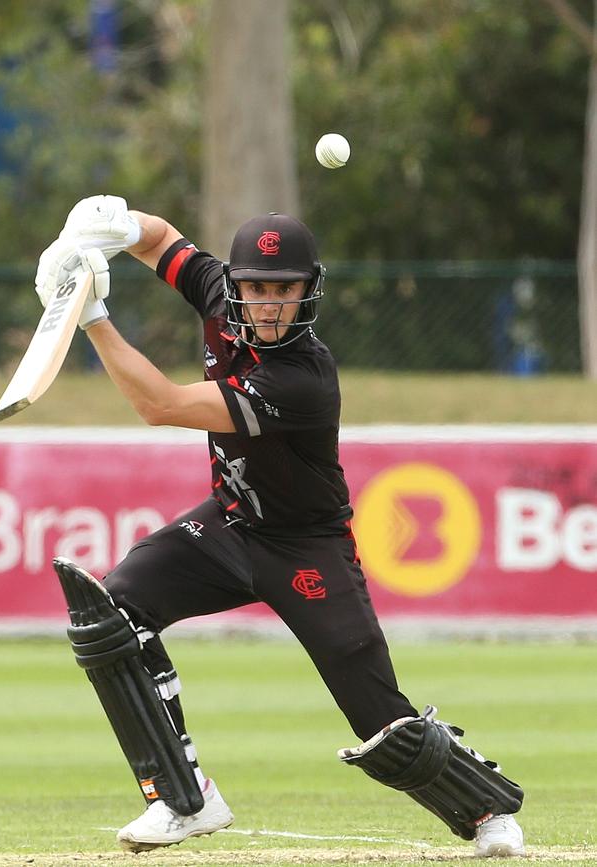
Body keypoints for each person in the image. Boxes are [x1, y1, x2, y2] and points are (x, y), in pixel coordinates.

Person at [36, 196, 526, 857]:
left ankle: (488, 810)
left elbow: (163, 405)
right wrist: (111, 227)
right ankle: (185, 798)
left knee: (381, 721)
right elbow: (162, 240)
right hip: (231, 524)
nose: (267, 304)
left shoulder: (304, 377)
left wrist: (90, 313)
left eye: (283, 290)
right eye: (255, 288)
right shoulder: (217, 290)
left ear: (306, 292)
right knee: (115, 610)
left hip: (307, 548)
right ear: (235, 286)